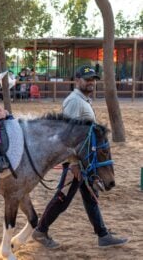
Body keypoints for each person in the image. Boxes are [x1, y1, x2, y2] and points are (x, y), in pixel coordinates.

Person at [32, 65, 128, 249]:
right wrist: (73, 163)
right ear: (77, 81)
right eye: (87, 79)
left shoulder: (83, 100)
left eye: (93, 79)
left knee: (91, 196)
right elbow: (67, 135)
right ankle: (41, 231)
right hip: (75, 162)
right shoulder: (74, 101)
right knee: (63, 197)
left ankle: (103, 235)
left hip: (85, 161)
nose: (91, 82)